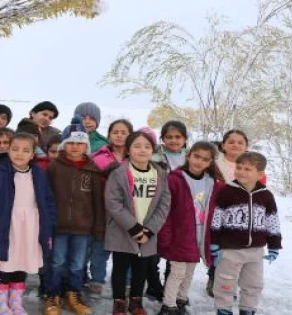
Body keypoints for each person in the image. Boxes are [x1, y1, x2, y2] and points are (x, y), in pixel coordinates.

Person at [0, 133, 56, 315]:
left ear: (33, 154)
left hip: (31, 226)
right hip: (7, 226)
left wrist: (49, 222)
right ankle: (0, 303)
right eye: (15, 149)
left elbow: (48, 200)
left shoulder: (38, 173)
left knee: (22, 263)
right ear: (8, 150)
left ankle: (15, 302)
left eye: (25, 150)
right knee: (5, 263)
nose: (19, 154)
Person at [104, 130, 171, 315]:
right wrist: (134, 228)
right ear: (128, 150)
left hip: (148, 232)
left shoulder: (160, 174)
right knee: (120, 267)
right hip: (123, 230)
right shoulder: (119, 173)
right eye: (137, 146)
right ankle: (119, 302)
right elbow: (113, 203)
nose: (142, 150)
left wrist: (149, 230)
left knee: (141, 268)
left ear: (153, 150)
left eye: (147, 146)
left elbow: (164, 204)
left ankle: (136, 301)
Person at [157, 141, 224, 315]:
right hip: (180, 235)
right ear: (188, 156)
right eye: (196, 156)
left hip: (200, 236)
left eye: (205, 159)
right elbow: (166, 211)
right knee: (177, 272)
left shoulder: (212, 183)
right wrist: (166, 236)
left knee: (189, 272)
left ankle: (180, 300)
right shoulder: (175, 179)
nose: (199, 161)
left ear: (210, 163)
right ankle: (168, 305)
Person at [210, 152, 281, 315]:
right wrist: (214, 242)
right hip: (230, 249)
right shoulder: (228, 192)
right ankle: (224, 309)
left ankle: (247, 310)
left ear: (260, 174)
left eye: (247, 169)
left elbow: (272, 221)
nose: (241, 171)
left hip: (255, 251)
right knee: (225, 283)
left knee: (253, 284)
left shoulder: (266, 196)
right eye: (239, 167)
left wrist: (274, 245)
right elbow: (217, 218)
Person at [43, 131, 104, 315]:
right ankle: (52, 295)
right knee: (57, 261)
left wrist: (98, 227)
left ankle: (73, 294)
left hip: (83, 228)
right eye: (71, 143)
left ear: (86, 147)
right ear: (64, 146)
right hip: (59, 225)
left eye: (79, 143)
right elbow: (46, 197)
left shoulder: (92, 169)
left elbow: (97, 202)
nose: (75, 147)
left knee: (78, 263)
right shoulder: (54, 167)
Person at [86, 119, 133, 298]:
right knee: (100, 248)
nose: (119, 135)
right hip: (103, 211)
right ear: (109, 135)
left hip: (128, 212)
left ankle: (128, 282)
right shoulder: (99, 157)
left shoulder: (136, 156)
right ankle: (97, 281)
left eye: (124, 132)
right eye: (115, 132)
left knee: (127, 249)